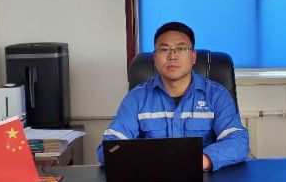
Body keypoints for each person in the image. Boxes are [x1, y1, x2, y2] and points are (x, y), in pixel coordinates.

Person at [98, 21, 249, 171]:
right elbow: (110, 148)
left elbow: (238, 141)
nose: (172, 56)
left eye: (181, 48)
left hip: (204, 179)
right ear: (155, 57)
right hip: (152, 178)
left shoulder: (216, 95)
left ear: (193, 57)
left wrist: (200, 161)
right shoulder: (137, 98)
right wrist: (148, 161)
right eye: (164, 50)